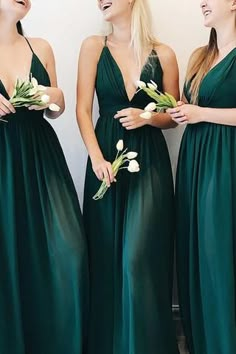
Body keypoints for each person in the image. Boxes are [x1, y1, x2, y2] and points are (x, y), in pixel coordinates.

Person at [76, 0, 180, 353]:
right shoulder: (93, 46)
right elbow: (81, 109)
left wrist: (148, 118)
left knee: (139, 258)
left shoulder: (164, 54)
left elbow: (173, 114)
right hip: (105, 163)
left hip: (149, 162)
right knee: (106, 257)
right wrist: (96, 158)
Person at [0, 1, 88, 353]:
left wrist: (50, 96)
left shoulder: (41, 47)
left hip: (40, 157)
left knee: (70, 252)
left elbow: (58, 107)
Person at [167, 0, 236, 353]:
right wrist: (175, 110)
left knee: (218, 250)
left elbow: (207, 111)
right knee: (194, 246)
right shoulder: (199, 56)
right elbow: (187, 106)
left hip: (225, 161)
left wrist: (201, 112)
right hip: (194, 160)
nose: (203, 3)